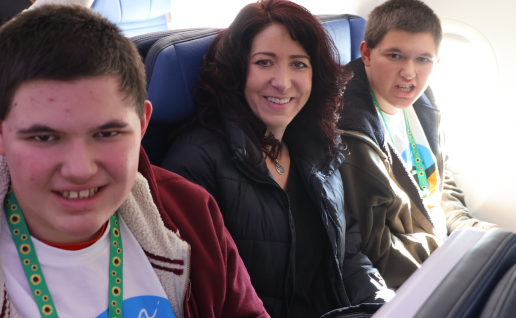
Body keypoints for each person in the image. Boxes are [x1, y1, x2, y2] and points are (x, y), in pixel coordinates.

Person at [0, 5, 267, 318]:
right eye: (44, 137)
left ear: (141, 126)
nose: (79, 169)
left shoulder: (192, 215)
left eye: (107, 134)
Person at [160, 0, 392, 317]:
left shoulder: (317, 148)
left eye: (298, 64)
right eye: (264, 62)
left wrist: (386, 305)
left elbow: (348, 254)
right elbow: (205, 299)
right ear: (238, 71)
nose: (282, 82)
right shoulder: (195, 162)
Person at [337, 0, 498, 289]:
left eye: (423, 59)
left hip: (438, 251)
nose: (409, 73)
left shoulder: (423, 103)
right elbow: (377, 251)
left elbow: (436, 179)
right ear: (367, 54)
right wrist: (452, 259)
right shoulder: (352, 131)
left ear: (437, 63)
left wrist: (466, 225)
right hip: (406, 278)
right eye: (395, 55)